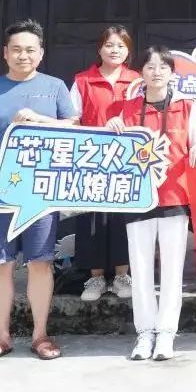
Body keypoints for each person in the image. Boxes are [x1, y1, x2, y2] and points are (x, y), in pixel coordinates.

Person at [0, 19, 78, 364]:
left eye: (30, 49)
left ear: (41, 53)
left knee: (40, 263)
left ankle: (40, 335)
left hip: (41, 192)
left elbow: (74, 128)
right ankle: (1, 337)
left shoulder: (55, 87)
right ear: (5, 53)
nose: (23, 55)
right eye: (16, 49)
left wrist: (40, 120)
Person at [106, 46, 196, 361]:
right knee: (140, 267)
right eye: (150, 66)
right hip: (138, 196)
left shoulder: (186, 106)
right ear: (142, 73)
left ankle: (166, 333)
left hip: (174, 195)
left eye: (163, 66)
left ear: (172, 72)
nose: (156, 72)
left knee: (173, 269)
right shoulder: (128, 108)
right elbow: (115, 148)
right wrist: (112, 128)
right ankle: (145, 332)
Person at [69, 25, 140, 302]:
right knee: (92, 218)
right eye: (109, 45)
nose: (114, 50)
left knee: (124, 216)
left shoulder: (137, 81)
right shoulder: (82, 80)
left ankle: (122, 275)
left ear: (128, 51)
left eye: (121, 46)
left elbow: (145, 114)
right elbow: (72, 119)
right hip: (91, 159)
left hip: (126, 161)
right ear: (99, 49)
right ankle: (96, 277)